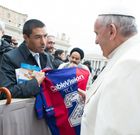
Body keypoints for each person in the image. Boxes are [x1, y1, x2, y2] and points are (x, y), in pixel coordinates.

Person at [80, 5, 140, 135]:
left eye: (96, 33)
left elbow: (116, 130)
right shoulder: (129, 55)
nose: (96, 41)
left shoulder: (130, 63)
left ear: (112, 31)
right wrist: (94, 99)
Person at [0, 19, 53, 99]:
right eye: (38, 37)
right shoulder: (10, 58)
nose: (43, 42)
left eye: (45, 36)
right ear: (26, 37)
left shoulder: (47, 57)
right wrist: (35, 83)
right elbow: (5, 92)